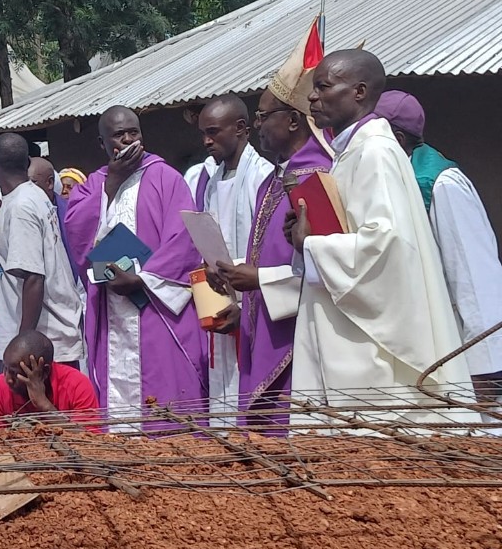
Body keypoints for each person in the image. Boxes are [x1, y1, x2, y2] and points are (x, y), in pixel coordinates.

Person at [286, 50, 474, 423]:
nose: (312, 97)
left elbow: (385, 247)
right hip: (346, 318)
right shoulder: (350, 150)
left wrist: (311, 243)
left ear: (358, 92)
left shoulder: (374, 151)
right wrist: (306, 229)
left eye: (323, 87)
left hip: (369, 339)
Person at [212, 51, 332, 429]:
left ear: (294, 121)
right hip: (264, 319)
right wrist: (246, 309)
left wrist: (259, 281)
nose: (257, 125)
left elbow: (325, 265)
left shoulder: (318, 179)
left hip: (301, 334)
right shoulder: (277, 178)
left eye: (264, 116)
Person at [64, 106, 207, 420]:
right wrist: (112, 182)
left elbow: (184, 240)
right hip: (111, 308)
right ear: (102, 144)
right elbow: (76, 229)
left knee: (166, 393)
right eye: (118, 135)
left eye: (134, 132)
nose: (128, 140)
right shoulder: (93, 184)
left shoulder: (166, 178)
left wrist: (143, 279)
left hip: (156, 303)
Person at [375, 90, 502, 407]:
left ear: (397, 137)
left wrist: (485, 369)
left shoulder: (440, 183)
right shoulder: (387, 178)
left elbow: (475, 277)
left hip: (456, 344)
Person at [193, 95, 274, 426]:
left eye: (213, 132)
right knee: (221, 392)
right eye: (203, 133)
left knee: (248, 393)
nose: (206, 141)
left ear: (241, 128)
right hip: (220, 302)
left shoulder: (264, 177)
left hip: (252, 304)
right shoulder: (211, 181)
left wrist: (247, 307)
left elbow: (270, 252)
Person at [0, 135, 83, 367]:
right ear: (27, 161)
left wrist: (22, 344)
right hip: (48, 337)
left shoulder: (21, 207)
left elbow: (33, 277)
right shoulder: (35, 194)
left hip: (40, 345)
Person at [0, 330, 100, 430]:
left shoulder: (77, 385)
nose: (8, 379)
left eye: (15, 373)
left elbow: (90, 443)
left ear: (44, 372)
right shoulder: (0, 386)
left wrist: (44, 404)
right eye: (5, 369)